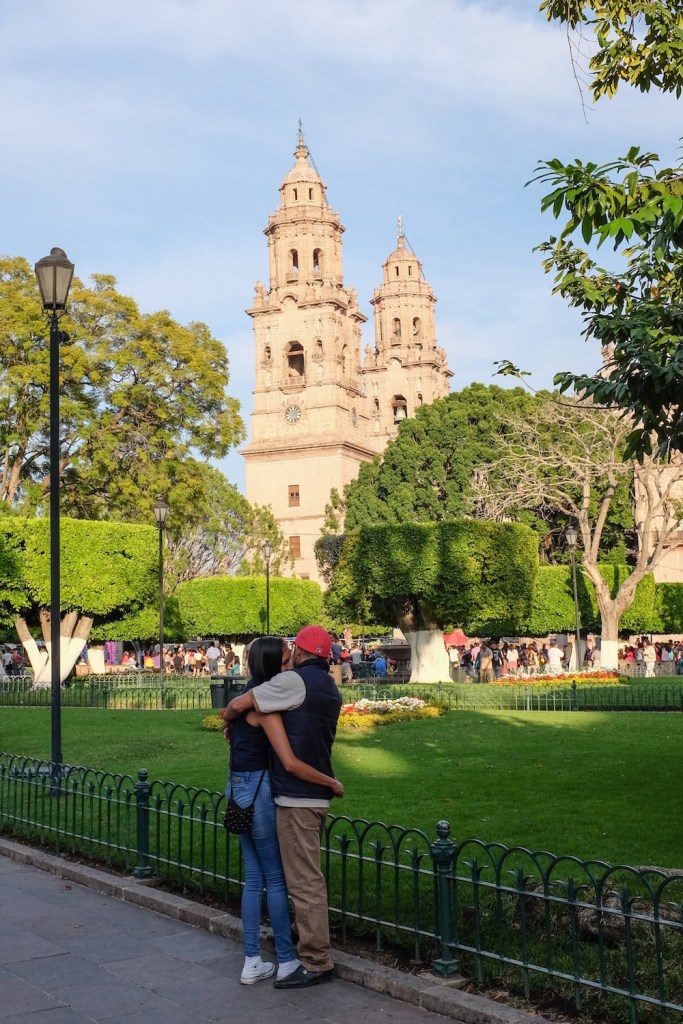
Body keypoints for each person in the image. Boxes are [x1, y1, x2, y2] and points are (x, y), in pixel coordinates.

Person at [224, 625, 342, 989]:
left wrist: (230, 720)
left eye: (293, 655)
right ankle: (292, 948)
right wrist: (330, 782)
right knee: (288, 878)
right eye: (284, 659)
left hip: (284, 793)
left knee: (288, 880)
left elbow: (237, 705)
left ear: (302, 654)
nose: (290, 662)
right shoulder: (330, 689)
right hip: (302, 793)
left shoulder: (291, 684)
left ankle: (310, 960)